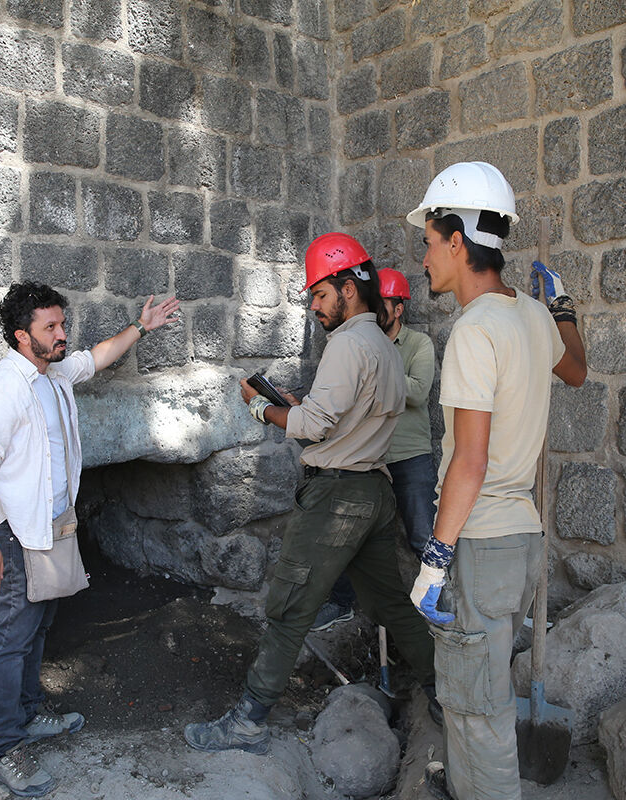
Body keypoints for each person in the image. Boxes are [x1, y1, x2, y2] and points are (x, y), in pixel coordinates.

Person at [183, 232, 437, 754]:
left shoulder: (346, 345)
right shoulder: (386, 348)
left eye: (320, 295)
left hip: (336, 499)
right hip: (373, 492)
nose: (315, 307)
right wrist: (303, 405)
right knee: (391, 602)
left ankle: (248, 721)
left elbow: (314, 426)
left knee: (288, 607)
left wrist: (261, 407)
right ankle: (444, 687)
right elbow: (351, 415)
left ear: (348, 287)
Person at [403, 162, 587, 800]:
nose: (424, 258)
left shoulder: (475, 330)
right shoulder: (533, 317)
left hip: (480, 543)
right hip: (522, 543)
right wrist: (560, 304)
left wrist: (436, 554)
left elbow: (469, 461)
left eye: (429, 242)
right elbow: (578, 371)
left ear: (457, 240)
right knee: (475, 692)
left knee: (478, 710)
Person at [0, 281, 178, 797]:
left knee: (40, 628)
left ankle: (30, 714)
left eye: (62, 324)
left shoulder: (53, 371)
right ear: (22, 336)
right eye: (50, 328)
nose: (62, 334)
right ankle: (5, 747)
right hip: (18, 534)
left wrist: (140, 327)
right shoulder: (5, 386)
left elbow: (97, 358)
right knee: (11, 641)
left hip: (55, 526)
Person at [312, 267, 439, 632]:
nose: (372, 310)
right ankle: (341, 604)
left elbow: (417, 391)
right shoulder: (355, 343)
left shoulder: (418, 345)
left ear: (398, 308)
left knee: (421, 536)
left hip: (410, 456)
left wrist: (376, 364)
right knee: (347, 535)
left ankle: (439, 605)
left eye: (381, 304)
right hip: (368, 458)